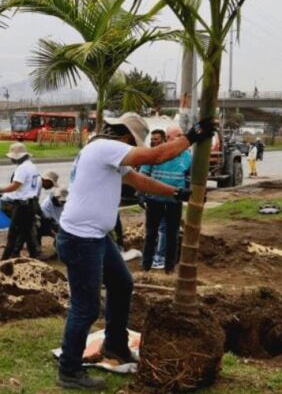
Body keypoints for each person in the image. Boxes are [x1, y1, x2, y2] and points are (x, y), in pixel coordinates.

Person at [55, 113, 214, 390]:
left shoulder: (106, 153)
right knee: (86, 306)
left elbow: (139, 182)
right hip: (81, 239)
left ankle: (115, 345)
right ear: (128, 137)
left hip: (95, 237)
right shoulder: (105, 147)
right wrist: (191, 137)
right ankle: (69, 369)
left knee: (122, 283)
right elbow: (155, 156)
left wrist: (174, 192)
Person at [139, 127, 192, 273]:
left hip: (174, 202)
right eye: (178, 135)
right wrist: (141, 193)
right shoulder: (156, 153)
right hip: (154, 200)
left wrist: (189, 190)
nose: (182, 138)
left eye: (182, 135)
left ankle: (169, 268)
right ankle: (146, 266)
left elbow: (188, 177)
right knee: (151, 233)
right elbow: (143, 175)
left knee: (172, 235)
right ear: (169, 138)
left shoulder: (187, 156)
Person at [0, 142, 42, 260]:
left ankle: (4, 260)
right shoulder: (32, 166)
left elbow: (15, 186)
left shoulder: (22, 169)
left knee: (13, 234)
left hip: (22, 206)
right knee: (28, 233)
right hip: (31, 203)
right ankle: (34, 257)